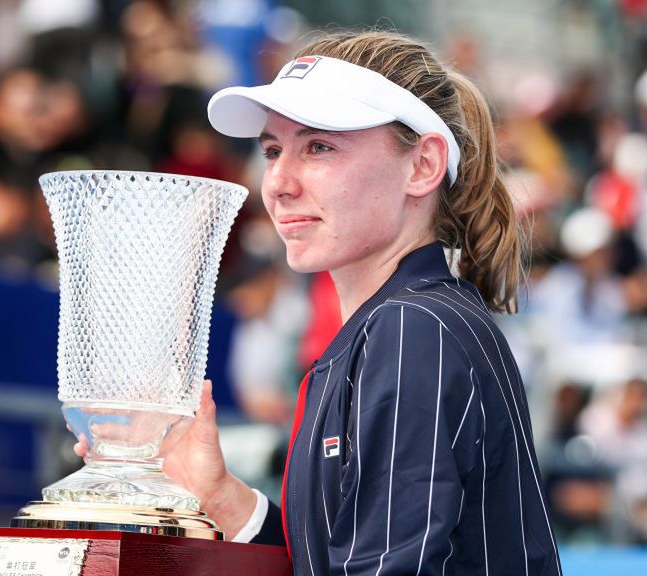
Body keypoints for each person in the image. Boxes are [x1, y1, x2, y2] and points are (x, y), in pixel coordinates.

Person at [122, 30, 561, 574]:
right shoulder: (400, 323)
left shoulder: (411, 329)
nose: (277, 182)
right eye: (273, 150)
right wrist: (218, 495)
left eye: (319, 147)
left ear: (422, 166)